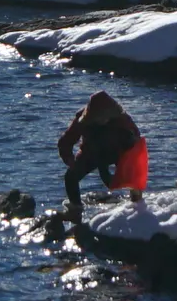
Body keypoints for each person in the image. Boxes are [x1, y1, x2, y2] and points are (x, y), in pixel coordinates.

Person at [57, 90, 147, 221]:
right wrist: (70, 161)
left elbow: (137, 142)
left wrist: (129, 164)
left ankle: (137, 203)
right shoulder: (82, 120)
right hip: (92, 152)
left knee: (132, 175)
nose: (101, 120)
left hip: (118, 152)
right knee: (71, 177)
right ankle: (75, 210)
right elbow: (66, 142)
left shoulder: (123, 120)